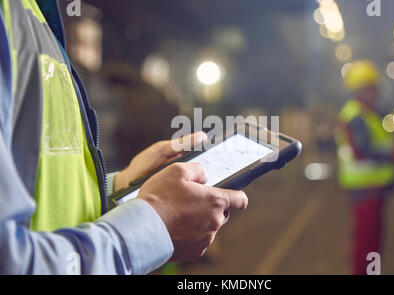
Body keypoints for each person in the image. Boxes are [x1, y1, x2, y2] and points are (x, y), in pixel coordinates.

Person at [0, 0, 248, 274]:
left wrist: (118, 187)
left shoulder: (31, 12)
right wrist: (151, 228)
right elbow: (10, 260)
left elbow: (36, 184)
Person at [335, 60, 394, 275]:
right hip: (365, 189)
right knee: (368, 247)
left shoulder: (365, 114)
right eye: (372, 87)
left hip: (372, 189)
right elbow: (363, 150)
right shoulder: (356, 115)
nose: (376, 92)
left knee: (371, 246)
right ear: (361, 89)